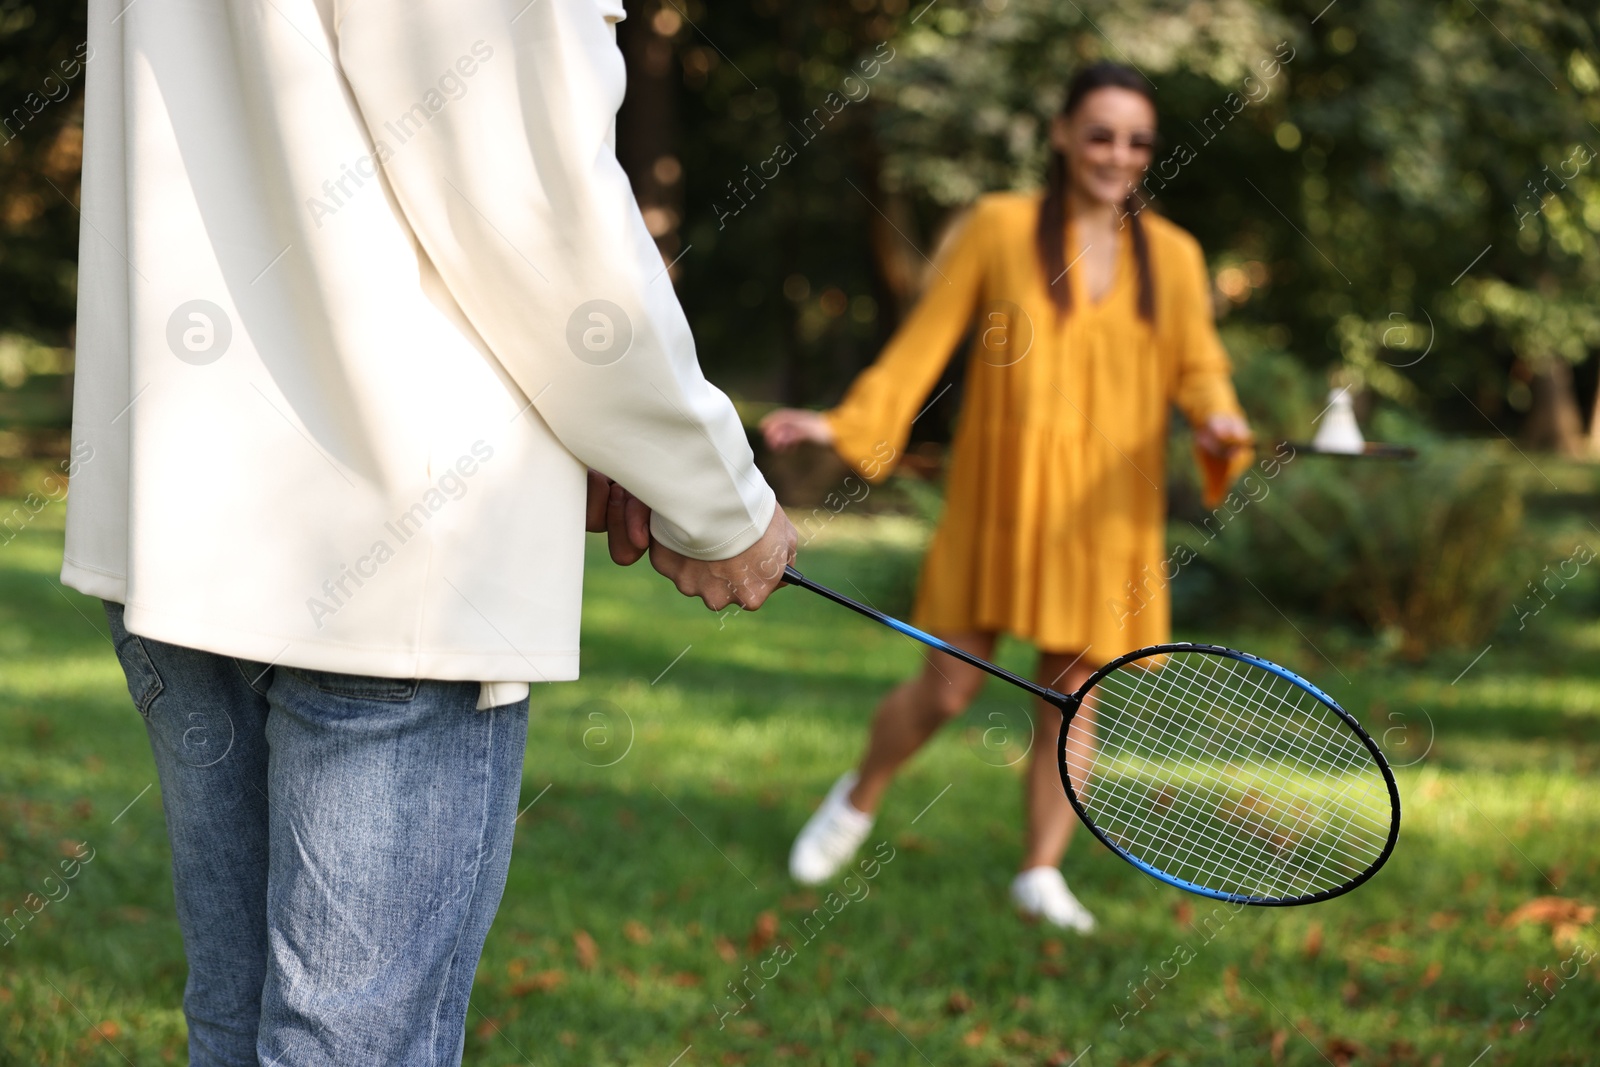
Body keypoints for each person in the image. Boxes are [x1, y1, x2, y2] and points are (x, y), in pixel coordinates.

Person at [63, 1, 794, 1063]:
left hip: (180, 527)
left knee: (236, 1025)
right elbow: (537, 210)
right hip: (402, 566)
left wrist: (590, 446)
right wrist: (720, 497)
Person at [763, 61, 1253, 931]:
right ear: (1063, 135)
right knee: (946, 687)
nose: (1118, 154)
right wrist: (849, 423)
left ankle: (1039, 871)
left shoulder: (1172, 258)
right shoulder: (996, 227)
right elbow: (925, 341)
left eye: (1137, 140)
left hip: (1108, 513)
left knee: (1072, 696)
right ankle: (860, 795)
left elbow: (1200, 368)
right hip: (1003, 499)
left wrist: (1219, 422)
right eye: (1100, 133)